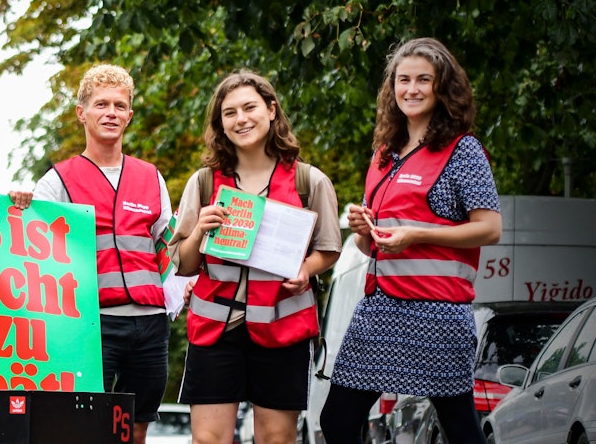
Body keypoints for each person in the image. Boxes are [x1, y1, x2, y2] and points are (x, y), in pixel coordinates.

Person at [319, 38, 502, 444]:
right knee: (336, 420)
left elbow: (490, 228)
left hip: (438, 312)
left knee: (458, 427)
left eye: (424, 79)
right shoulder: (384, 154)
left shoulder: (463, 151)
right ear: (392, 88)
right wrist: (364, 231)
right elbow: (372, 248)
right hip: (380, 309)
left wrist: (416, 235)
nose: (412, 89)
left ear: (442, 88)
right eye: (403, 80)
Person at [168, 69, 341, 444]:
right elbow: (181, 264)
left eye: (250, 107)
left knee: (276, 439)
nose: (241, 119)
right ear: (220, 124)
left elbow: (329, 248)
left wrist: (305, 269)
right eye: (229, 113)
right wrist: (199, 230)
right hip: (215, 332)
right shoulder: (204, 182)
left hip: (283, 329)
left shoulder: (309, 182)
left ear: (272, 110)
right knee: (208, 440)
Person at [9, 63, 172, 444]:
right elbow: (27, 244)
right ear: (82, 113)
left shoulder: (151, 176)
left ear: (129, 116)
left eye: (119, 105)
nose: (111, 113)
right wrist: (20, 206)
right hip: (90, 324)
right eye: (102, 104)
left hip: (150, 324)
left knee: (135, 428)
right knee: (84, 429)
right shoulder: (58, 179)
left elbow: (171, 247)